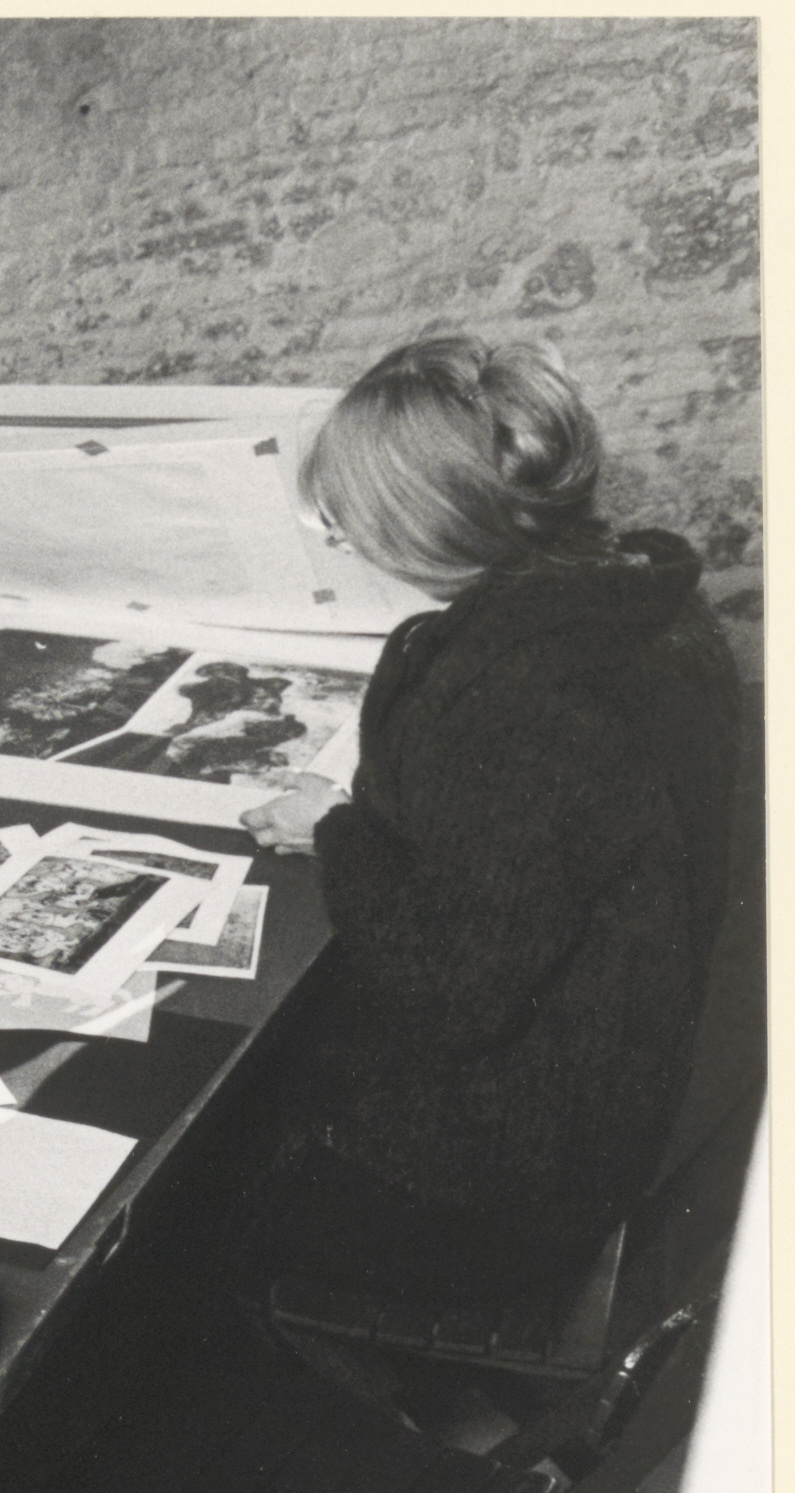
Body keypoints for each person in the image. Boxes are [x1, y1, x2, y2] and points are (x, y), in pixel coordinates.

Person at [232, 335, 741, 1306]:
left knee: (208, 1183)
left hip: (513, 1172)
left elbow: (450, 988)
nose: (337, 540)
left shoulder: (518, 694)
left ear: (426, 522)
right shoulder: (640, 603)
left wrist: (335, 830)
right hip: (617, 1081)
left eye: (349, 518)